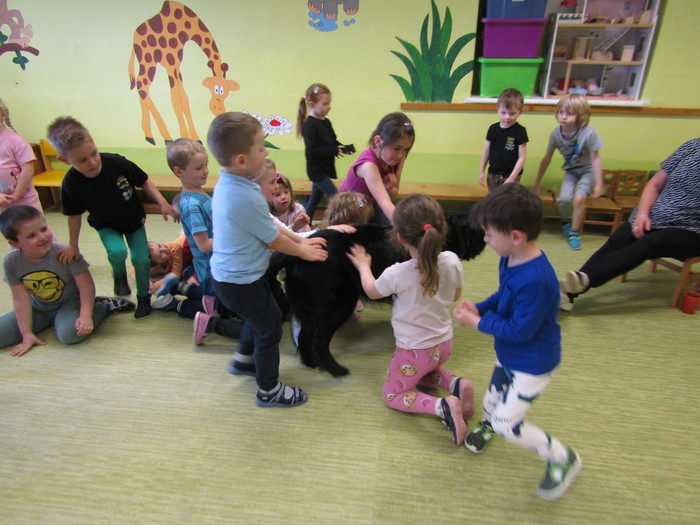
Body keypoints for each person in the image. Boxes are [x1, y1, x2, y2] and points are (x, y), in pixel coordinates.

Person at [453, 183, 581, 500]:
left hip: (533, 364)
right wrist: (480, 308)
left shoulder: (537, 279)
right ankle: (488, 424)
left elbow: (519, 330)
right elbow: (504, 295)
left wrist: (477, 322)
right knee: (492, 401)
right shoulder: (510, 257)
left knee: (507, 424)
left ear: (516, 236)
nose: (485, 239)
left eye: (489, 234)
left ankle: (562, 456)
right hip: (509, 354)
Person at [207, 111, 328, 408]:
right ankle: (269, 390)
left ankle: (244, 359)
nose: (266, 153)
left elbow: (271, 223)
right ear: (241, 160)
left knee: (262, 317)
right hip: (240, 282)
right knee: (270, 326)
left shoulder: (232, 183)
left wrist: (301, 238)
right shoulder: (245, 197)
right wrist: (303, 250)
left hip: (238, 276)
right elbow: (273, 240)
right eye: (261, 148)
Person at [346, 193, 474, 445]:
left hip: (414, 352)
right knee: (424, 373)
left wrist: (363, 266)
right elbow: (455, 295)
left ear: (401, 238)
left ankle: (442, 406)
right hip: (443, 346)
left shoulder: (397, 273)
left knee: (392, 394)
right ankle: (456, 384)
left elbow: (371, 291)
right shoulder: (452, 260)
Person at [47, 116, 178, 319]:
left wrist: (162, 202)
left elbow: (143, 180)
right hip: (106, 224)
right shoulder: (71, 182)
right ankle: (119, 276)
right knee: (117, 252)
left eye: (94, 153)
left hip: (133, 220)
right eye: (82, 160)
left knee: (141, 259)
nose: (92, 162)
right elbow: (74, 215)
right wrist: (73, 245)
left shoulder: (116, 163)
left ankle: (143, 298)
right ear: (65, 160)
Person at [560, 138, 700, 311]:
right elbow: (655, 184)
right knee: (619, 238)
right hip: (655, 216)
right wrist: (642, 214)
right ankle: (569, 292)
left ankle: (584, 280)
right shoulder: (693, 146)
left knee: (653, 242)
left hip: (690, 230)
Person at [0, 206, 134, 356]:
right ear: (15, 243)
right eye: (31, 236)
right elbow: (20, 299)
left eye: (44, 229)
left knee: (70, 335)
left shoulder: (65, 252)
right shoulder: (11, 262)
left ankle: (102, 306)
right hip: (39, 308)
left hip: (70, 304)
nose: (42, 237)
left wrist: (85, 315)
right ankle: (55, 321)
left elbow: (86, 287)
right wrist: (26, 333)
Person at [533, 93, 603, 251]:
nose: (563, 117)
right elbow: (547, 158)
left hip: (588, 171)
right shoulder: (555, 135)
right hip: (571, 170)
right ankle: (565, 221)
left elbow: (596, 158)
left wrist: (599, 183)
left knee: (578, 200)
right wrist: (537, 182)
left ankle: (574, 233)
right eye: (561, 112)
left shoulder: (589, 133)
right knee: (563, 199)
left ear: (581, 115)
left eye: (569, 113)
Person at [339, 112, 414, 226]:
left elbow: (394, 193)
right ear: (378, 141)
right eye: (397, 148)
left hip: (369, 207)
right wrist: (407, 227)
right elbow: (384, 201)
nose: (401, 155)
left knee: (388, 228)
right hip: (349, 212)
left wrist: (388, 187)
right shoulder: (368, 166)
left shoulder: (396, 160)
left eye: (406, 150)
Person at [297, 83, 353, 221]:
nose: (329, 107)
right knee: (337, 198)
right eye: (325, 104)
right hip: (317, 171)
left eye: (329, 103)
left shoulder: (326, 122)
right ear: (312, 104)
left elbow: (332, 142)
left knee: (313, 201)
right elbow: (312, 151)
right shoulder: (309, 125)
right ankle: (341, 223)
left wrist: (342, 147)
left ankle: (304, 223)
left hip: (325, 168)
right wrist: (334, 150)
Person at [478, 88, 528, 192]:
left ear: (520, 112)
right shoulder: (493, 129)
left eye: (512, 113)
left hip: (512, 175)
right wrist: (481, 171)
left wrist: (512, 178)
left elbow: (522, 157)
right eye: (503, 113)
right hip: (493, 174)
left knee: (509, 200)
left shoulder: (520, 131)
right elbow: (486, 151)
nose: (507, 117)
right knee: (495, 199)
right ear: (497, 110)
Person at [0, 97, 41, 213]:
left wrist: (16, 195)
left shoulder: (15, 141)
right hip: (2, 205)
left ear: (2, 114)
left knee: (33, 224)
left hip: (24, 202)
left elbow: (28, 170)